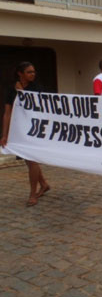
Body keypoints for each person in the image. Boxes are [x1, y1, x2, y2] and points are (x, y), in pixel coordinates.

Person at [1, 62, 50, 207]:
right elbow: (7, 113)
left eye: (34, 72)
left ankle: (32, 194)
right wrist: (5, 134)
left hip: (34, 129)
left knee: (31, 160)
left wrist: (22, 93)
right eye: (29, 72)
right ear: (20, 74)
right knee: (29, 160)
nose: (33, 74)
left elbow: (37, 108)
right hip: (19, 130)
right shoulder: (11, 90)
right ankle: (44, 184)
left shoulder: (37, 88)